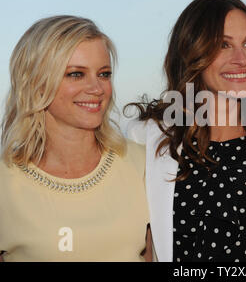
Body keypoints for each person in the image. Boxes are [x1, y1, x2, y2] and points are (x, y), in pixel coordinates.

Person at [127, 0, 246, 262]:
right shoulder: (148, 137)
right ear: (192, 52)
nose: (241, 59)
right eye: (223, 45)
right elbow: (141, 247)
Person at [0, 15, 150, 261]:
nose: (97, 88)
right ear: (37, 84)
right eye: (76, 74)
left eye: (104, 74)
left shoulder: (142, 165)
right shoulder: (5, 183)